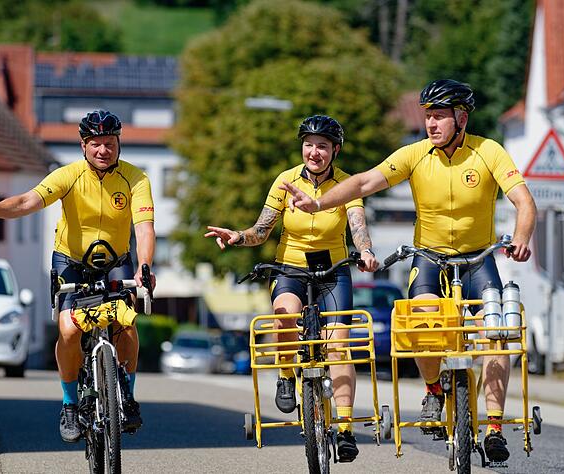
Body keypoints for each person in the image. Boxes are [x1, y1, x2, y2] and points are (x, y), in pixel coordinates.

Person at [280, 80, 537, 463]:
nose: (431, 124)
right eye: (427, 116)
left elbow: (524, 201)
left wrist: (520, 237)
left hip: (478, 259)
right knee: (423, 321)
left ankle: (495, 426)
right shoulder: (416, 154)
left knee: (495, 334)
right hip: (430, 258)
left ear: (461, 118)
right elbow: (366, 181)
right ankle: (434, 390)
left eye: (439, 117)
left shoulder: (489, 152)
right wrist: (318, 204)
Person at [0, 110, 156, 443]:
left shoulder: (137, 179)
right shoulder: (69, 175)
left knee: (127, 323)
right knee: (68, 328)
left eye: (109, 143)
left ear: (118, 143)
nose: (103, 151)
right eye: (95, 144)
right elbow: (26, 201)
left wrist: (144, 266)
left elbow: (145, 229)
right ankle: (69, 404)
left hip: (116, 261)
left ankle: (128, 396)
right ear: (83, 145)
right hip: (71, 262)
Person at [205, 115, 379, 463]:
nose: (315, 152)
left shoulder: (346, 184)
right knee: (283, 313)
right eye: (309, 144)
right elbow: (262, 229)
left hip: (332, 271)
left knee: (339, 345)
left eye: (323, 147)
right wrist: (239, 237)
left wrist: (366, 251)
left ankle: (344, 429)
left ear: (335, 151)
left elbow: (358, 226)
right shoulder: (285, 181)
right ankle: (286, 376)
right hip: (290, 267)